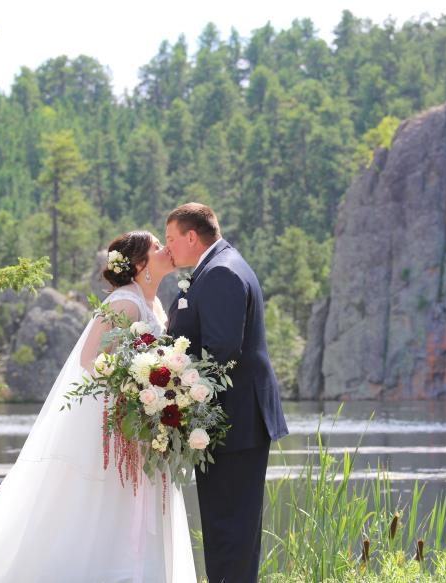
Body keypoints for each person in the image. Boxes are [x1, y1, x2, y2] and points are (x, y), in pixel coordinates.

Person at [0, 231, 196, 583]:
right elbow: (91, 359)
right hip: (118, 420)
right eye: (156, 245)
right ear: (139, 264)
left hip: (144, 422)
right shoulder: (125, 303)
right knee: (107, 500)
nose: (164, 248)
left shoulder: (153, 305)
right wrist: (133, 389)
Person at [164, 203, 289, 583]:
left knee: (229, 529)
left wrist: (172, 385)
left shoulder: (220, 272)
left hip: (234, 423)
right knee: (230, 529)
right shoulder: (220, 265)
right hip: (234, 422)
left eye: (171, 239)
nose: (168, 248)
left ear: (191, 236)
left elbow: (220, 352)